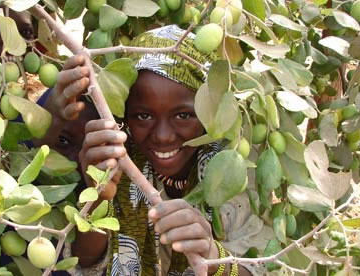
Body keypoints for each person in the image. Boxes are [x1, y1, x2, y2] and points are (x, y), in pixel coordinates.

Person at [51, 25, 272, 275]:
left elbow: (261, 268)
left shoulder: (232, 168)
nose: (163, 136)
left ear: (209, 113)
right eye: (143, 116)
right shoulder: (116, 159)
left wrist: (211, 257)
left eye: (183, 115)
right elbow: (86, 263)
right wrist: (98, 196)